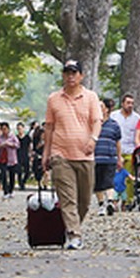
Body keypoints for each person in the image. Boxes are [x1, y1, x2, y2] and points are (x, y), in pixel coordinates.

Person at [43, 60, 102, 250]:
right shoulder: (54, 98)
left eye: (74, 73)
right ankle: (74, 234)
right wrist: (46, 153)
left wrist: (93, 139)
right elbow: (49, 127)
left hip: (85, 155)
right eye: (67, 72)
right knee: (68, 198)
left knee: (84, 201)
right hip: (60, 154)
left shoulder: (91, 97)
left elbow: (97, 121)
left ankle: (71, 226)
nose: (70, 76)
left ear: (81, 76)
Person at [94, 99, 123, 216]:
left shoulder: (114, 125)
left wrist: (119, 157)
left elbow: (118, 142)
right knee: (97, 183)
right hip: (95, 157)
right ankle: (101, 204)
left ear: (106, 109)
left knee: (109, 181)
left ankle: (110, 202)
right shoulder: (93, 123)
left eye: (101, 107)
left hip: (110, 157)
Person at [111, 95, 140, 205]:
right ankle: (114, 201)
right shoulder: (114, 116)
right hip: (116, 150)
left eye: (132, 103)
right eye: (128, 103)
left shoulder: (137, 118)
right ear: (122, 103)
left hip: (130, 151)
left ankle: (128, 201)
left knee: (128, 178)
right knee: (115, 178)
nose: (130, 105)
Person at [0, 122, 20, 199]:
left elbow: (18, 145)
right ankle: (5, 191)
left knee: (12, 176)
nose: (4, 131)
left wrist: (10, 144)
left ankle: (11, 191)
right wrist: (0, 146)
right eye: (3, 129)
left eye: (5, 129)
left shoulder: (12, 137)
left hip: (12, 159)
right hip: (2, 159)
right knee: (4, 175)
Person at [16, 122, 31, 190]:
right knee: (19, 171)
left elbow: (30, 147)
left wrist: (31, 155)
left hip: (25, 155)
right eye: (18, 129)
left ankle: (23, 181)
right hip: (17, 155)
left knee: (27, 171)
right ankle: (20, 184)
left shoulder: (27, 137)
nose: (20, 130)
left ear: (23, 129)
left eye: (21, 128)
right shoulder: (15, 137)